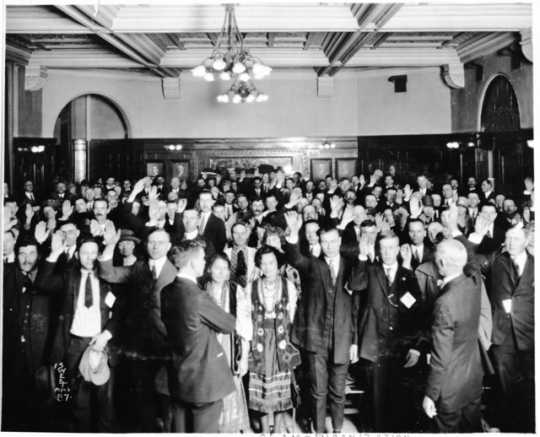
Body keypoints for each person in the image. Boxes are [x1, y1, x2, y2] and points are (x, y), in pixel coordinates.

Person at [283, 211, 364, 433]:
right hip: (317, 339)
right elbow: (295, 259)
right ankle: (319, 431)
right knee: (318, 390)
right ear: (319, 242)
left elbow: (356, 304)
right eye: (324, 242)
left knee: (338, 391)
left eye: (332, 242)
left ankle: (337, 429)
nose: (328, 246)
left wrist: (354, 342)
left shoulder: (352, 265)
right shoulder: (313, 265)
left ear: (339, 241)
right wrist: (292, 235)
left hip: (342, 338)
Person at [98, 227, 177, 432]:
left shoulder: (177, 269)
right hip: (139, 344)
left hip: (166, 344)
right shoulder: (138, 267)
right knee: (142, 397)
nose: (155, 245)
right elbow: (108, 272)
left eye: (160, 242)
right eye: (151, 241)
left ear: (168, 246)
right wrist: (110, 245)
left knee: (166, 397)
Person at [37, 235, 118, 432]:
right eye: (84, 252)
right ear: (77, 255)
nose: (89, 257)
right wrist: (55, 252)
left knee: (104, 401)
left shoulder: (109, 277)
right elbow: (42, 283)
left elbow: (122, 310)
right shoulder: (69, 276)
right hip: (74, 344)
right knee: (78, 401)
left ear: (99, 255)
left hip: (101, 344)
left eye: (93, 252)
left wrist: (106, 334)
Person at [161, 240, 236, 433]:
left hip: (179, 375)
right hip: (203, 380)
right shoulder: (197, 296)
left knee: (181, 428)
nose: (205, 262)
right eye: (203, 258)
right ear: (193, 262)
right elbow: (228, 324)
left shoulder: (167, 291)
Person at [357, 231, 424, 431]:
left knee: (400, 399)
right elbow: (354, 285)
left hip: (400, 348)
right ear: (378, 250)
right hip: (374, 346)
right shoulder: (369, 271)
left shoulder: (408, 276)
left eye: (391, 248)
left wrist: (416, 347)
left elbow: (416, 314)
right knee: (376, 401)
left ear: (398, 250)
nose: (387, 252)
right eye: (383, 248)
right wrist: (361, 258)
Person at [423, 239, 483, 432]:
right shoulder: (474, 282)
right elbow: (473, 264)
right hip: (472, 380)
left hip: (449, 389)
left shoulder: (444, 302)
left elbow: (441, 357)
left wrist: (430, 395)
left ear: (441, 264)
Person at [246, 245, 300, 433]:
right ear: (259, 266)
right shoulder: (251, 287)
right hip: (260, 343)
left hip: (281, 343)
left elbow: (292, 316)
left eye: (272, 263)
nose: (268, 267)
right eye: (264, 263)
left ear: (278, 264)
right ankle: (264, 430)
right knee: (261, 389)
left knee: (281, 390)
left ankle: (276, 430)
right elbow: (246, 317)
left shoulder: (288, 285)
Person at [2, 237, 52, 431]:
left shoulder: (46, 278)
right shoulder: (7, 275)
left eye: (31, 253)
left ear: (38, 255)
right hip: (12, 348)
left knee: (40, 397)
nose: (27, 258)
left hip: (39, 348)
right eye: (22, 253)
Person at [489, 226, 534, 432]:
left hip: (530, 335)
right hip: (502, 334)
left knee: (528, 386)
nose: (510, 242)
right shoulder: (497, 261)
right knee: (504, 385)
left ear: (526, 241)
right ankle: (508, 428)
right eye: (507, 238)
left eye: (515, 239)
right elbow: (472, 258)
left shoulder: (536, 264)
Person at [202, 254, 251, 433]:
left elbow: (244, 325)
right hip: (206, 346)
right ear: (209, 269)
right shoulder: (202, 289)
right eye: (217, 268)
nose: (221, 272)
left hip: (230, 345)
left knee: (229, 387)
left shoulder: (235, 290)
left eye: (225, 268)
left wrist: (244, 356)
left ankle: (228, 429)